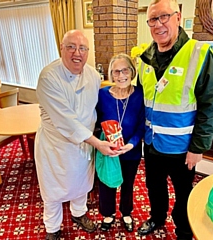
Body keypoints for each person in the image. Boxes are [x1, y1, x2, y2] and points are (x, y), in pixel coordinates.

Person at [136, 0, 213, 239]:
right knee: (154, 186)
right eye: (153, 19)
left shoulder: (198, 53)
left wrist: (198, 148)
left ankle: (183, 229)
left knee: (183, 191)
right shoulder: (144, 58)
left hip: (182, 147)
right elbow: (142, 100)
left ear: (178, 17)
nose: (158, 24)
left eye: (164, 17)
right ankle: (157, 216)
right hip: (152, 143)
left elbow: (209, 106)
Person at [35, 30, 118, 240]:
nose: (77, 53)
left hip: (84, 144)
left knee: (82, 183)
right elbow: (66, 120)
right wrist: (97, 143)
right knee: (53, 190)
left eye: (82, 48)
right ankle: (52, 228)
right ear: (61, 49)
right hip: (56, 146)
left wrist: (112, 129)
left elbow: (97, 109)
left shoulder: (93, 75)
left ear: (88, 52)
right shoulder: (48, 76)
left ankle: (79, 214)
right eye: (71, 47)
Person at [96, 53, 145, 232]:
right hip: (107, 150)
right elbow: (94, 121)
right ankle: (108, 214)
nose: (121, 75)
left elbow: (142, 124)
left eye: (125, 70)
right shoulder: (102, 95)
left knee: (128, 182)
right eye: (116, 71)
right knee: (106, 182)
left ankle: (126, 212)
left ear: (131, 72)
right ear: (111, 74)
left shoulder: (139, 94)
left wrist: (131, 144)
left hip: (130, 150)